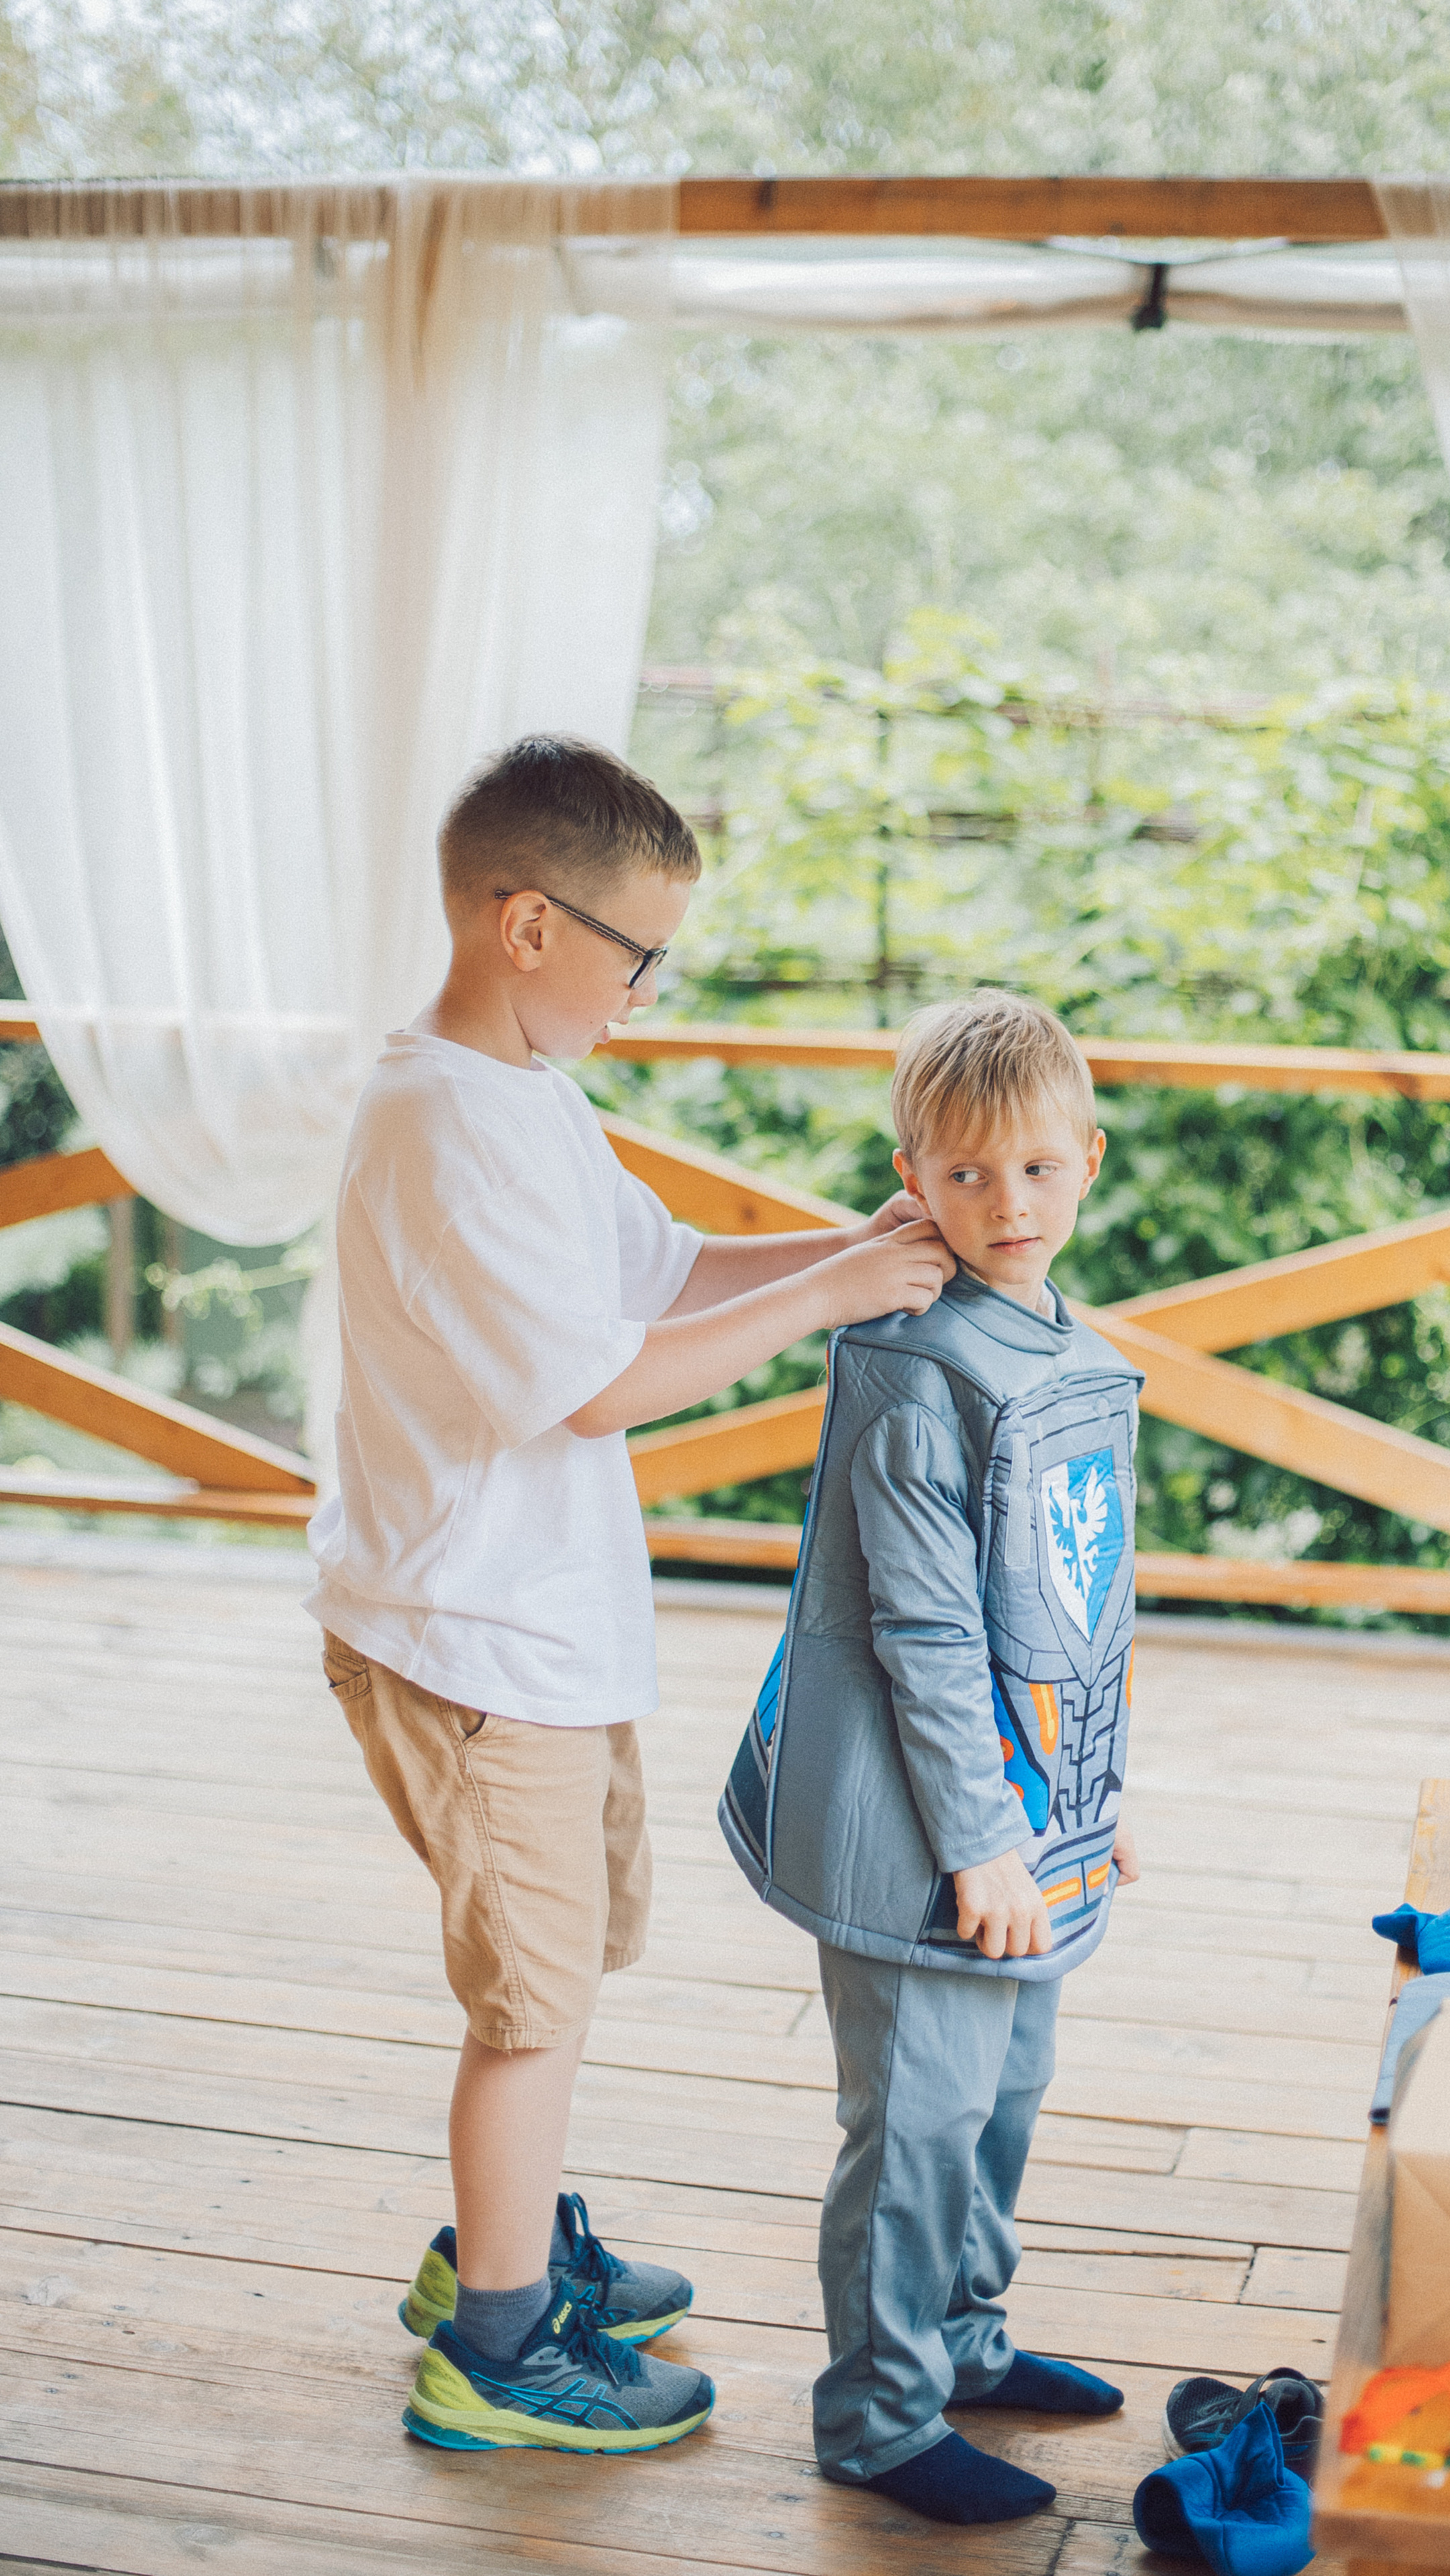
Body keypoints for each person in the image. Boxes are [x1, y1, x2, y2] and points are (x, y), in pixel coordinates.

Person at [306, 735, 955, 2457]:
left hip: (532, 1631)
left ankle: (503, 2253)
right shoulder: (439, 1120)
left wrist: (851, 1249)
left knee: (565, 1967)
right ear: (530, 926)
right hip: (472, 1645)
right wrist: (840, 1292)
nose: (647, 993)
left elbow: (660, 1271)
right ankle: (500, 2349)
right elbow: (595, 1382)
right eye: (635, 956)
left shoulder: (518, 1093)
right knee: (529, 2008)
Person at [719, 987, 1144, 2526]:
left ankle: (962, 2342)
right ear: (912, 1174)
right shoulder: (911, 1367)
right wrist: (982, 1841)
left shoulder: (1053, 1340)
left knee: (1003, 2091)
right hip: (922, 1829)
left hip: (1026, 1818)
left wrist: (1084, 1811)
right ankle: (881, 2415)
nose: (1005, 1204)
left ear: (1087, 1162)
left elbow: (1066, 1616)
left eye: (1034, 1169)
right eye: (964, 1176)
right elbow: (927, 1632)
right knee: (912, 2122)